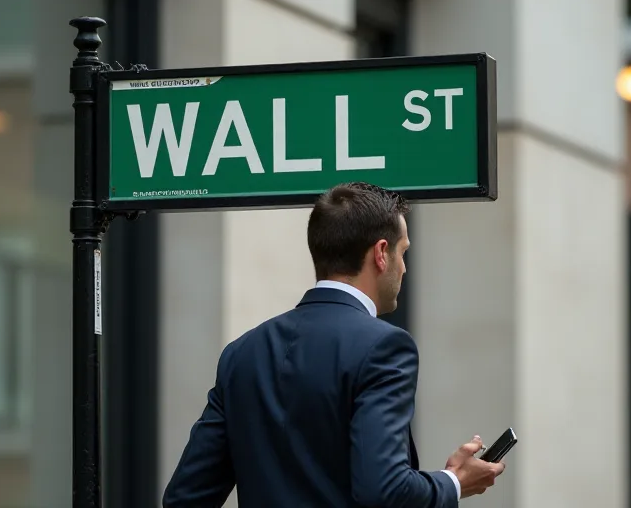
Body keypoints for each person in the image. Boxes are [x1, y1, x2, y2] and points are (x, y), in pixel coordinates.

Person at [162, 182, 505, 507]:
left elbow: (185, 498)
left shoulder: (242, 352)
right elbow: (383, 489)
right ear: (381, 254)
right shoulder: (385, 346)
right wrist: (454, 482)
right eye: (403, 253)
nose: (404, 268)